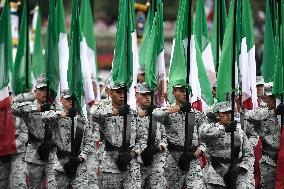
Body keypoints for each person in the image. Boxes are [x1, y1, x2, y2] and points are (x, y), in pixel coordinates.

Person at [91, 83, 147, 188]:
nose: (122, 95)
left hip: (131, 166)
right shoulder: (104, 111)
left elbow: (143, 138)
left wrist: (132, 154)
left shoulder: (133, 114)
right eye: (118, 92)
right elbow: (94, 115)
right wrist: (116, 112)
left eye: (123, 92)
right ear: (110, 93)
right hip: (110, 166)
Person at [153, 84, 206, 189]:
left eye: (186, 91)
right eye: (181, 90)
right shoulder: (168, 112)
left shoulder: (197, 114)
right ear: (173, 93)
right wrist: (179, 108)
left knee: (198, 186)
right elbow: (156, 114)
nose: (184, 93)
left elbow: (205, 139)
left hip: (191, 157)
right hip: (173, 157)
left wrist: (195, 155)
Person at [11, 73, 57, 188]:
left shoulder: (56, 108)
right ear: (35, 91)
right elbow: (13, 108)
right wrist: (37, 107)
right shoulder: (30, 107)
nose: (44, 93)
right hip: (34, 155)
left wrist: (54, 142)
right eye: (41, 89)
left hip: (53, 155)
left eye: (46, 90)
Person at [42, 89, 95, 188]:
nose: (71, 101)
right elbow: (44, 117)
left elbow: (90, 143)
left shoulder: (82, 121)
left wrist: (80, 157)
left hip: (79, 166)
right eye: (68, 99)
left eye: (73, 99)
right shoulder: (56, 119)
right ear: (61, 100)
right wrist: (63, 114)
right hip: (60, 165)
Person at [200, 101, 254, 189]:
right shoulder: (212, 129)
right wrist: (224, 129)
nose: (228, 115)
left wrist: (239, 169)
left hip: (237, 174)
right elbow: (202, 133)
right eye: (224, 112)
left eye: (230, 112)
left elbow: (249, 154)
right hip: (217, 173)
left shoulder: (239, 132)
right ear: (217, 115)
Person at [246, 82, 283, 188]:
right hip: (269, 161)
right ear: (266, 99)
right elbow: (248, 116)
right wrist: (273, 112)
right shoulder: (262, 113)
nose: (275, 101)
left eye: (276, 99)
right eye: (272, 98)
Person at [135, 83, 167, 188]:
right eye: (144, 95)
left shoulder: (157, 115)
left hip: (157, 160)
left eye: (149, 94)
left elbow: (165, 137)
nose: (147, 97)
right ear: (136, 96)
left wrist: (159, 147)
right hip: (137, 161)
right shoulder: (131, 116)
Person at [0, 88, 28, 189]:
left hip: (18, 152)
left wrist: (14, 144)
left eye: (9, 95)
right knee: (3, 183)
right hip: (2, 153)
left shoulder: (18, 112)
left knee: (18, 183)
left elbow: (25, 133)